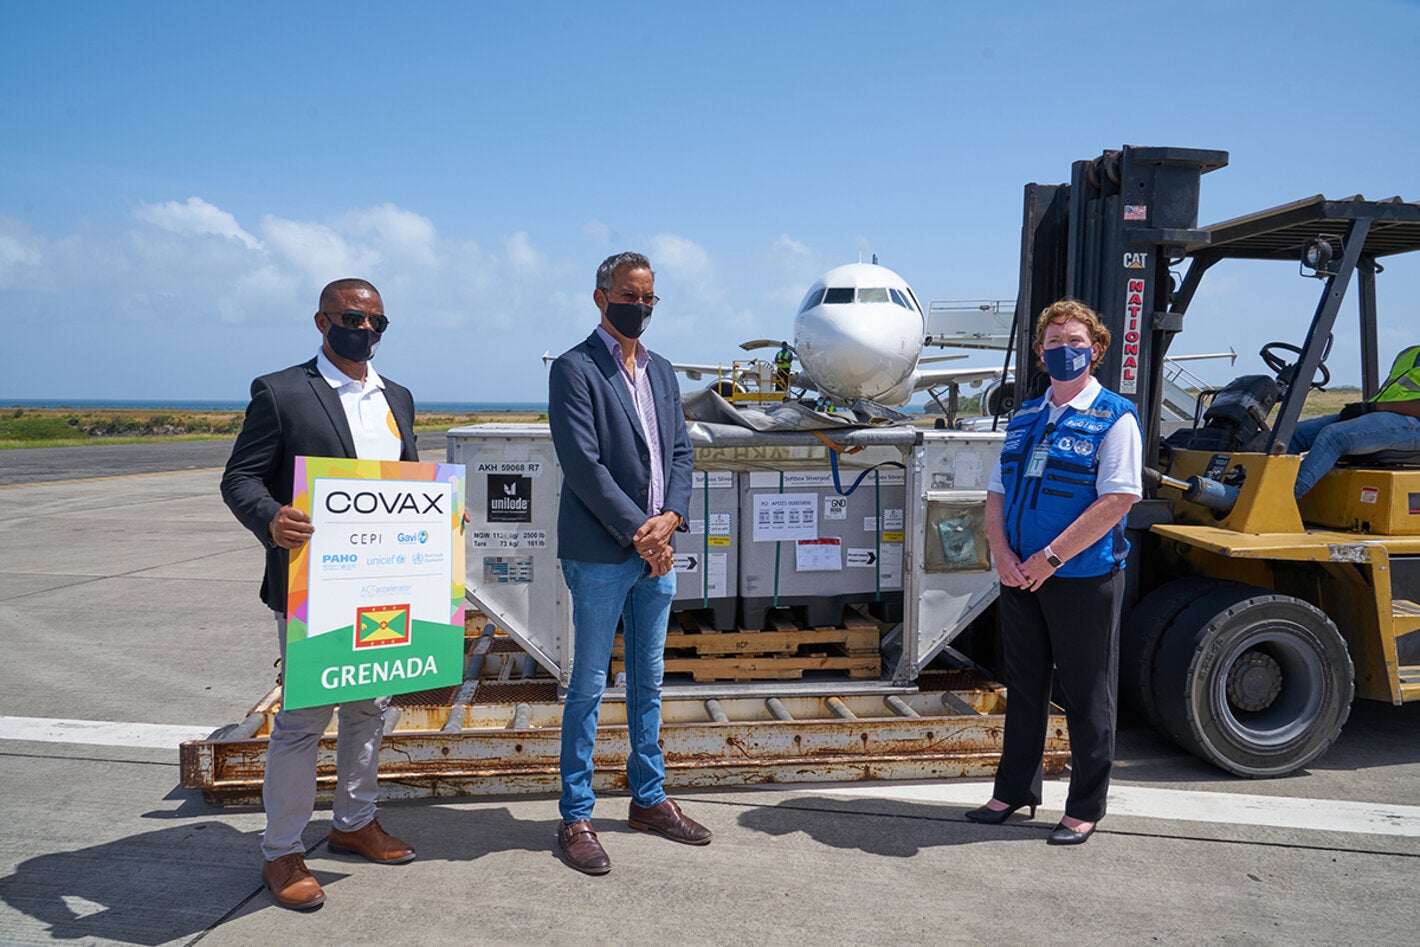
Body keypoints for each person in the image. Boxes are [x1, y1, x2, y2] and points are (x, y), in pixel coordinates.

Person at [221, 278, 420, 909]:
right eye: (352, 319)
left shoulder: (399, 397)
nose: (364, 331)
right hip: (314, 586)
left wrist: (441, 520)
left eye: (376, 323)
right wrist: (272, 517)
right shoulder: (280, 392)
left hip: (385, 584)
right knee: (304, 721)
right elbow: (240, 477)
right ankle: (281, 851)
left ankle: (354, 822)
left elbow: (407, 479)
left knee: (369, 707)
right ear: (321, 320)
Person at [546, 251, 711, 875]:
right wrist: (642, 532)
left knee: (649, 681)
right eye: (628, 296)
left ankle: (648, 798)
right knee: (588, 685)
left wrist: (670, 518)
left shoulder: (663, 371)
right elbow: (582, 464)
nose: (638, 307)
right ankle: (577, 814)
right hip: (600, 554)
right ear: (600, 297)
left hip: (656, 551)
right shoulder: (575, 368)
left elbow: (680, 454)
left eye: (648, 299)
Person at [967, 299, 1142, 846]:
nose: (1064, 350)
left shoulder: (1115, 416)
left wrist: (1050, 559)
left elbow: (1118, 500)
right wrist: (1001, 553)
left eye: (1075, 341)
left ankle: (1085, 806)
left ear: (1096, 348)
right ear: (1040, 354)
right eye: (1053, 342)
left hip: (1080, 578)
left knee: (1088, 695)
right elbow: (997, 492)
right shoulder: (1024, 418)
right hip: (1018, 576)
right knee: (1024, 689)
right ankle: (1014, 790)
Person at [1289, 344, 1420, 499]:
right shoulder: (1410, 353)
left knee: (1334, 436)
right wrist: (1364, 409)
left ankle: (1282, 502)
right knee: (1292, 434)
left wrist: (1374, 407)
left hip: (1413, 427)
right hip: (1388, 416)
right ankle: (1267, 490)